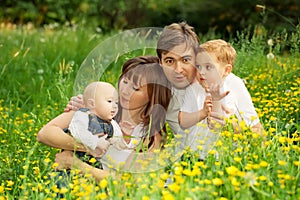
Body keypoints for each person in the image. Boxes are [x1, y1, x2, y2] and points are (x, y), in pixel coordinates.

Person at [37, 56, 172, 179]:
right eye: (125, 81)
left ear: (152, 96)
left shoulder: (151, 135)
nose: (125, 91)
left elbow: (125, 183)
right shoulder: (99, 105)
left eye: (135, 88)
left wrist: (74, 164)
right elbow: (45, 134)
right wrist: (89, 146)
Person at [178, 39, 264, 160]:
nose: (201, 72)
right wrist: (202, 113)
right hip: (193, 156)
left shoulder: (234, 85)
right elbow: (183, 121)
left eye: (208, 67)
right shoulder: (193, 86)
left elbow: (257, 131)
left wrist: (230, 124)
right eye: (198, 66)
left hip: (225, 160)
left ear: (226, 70)